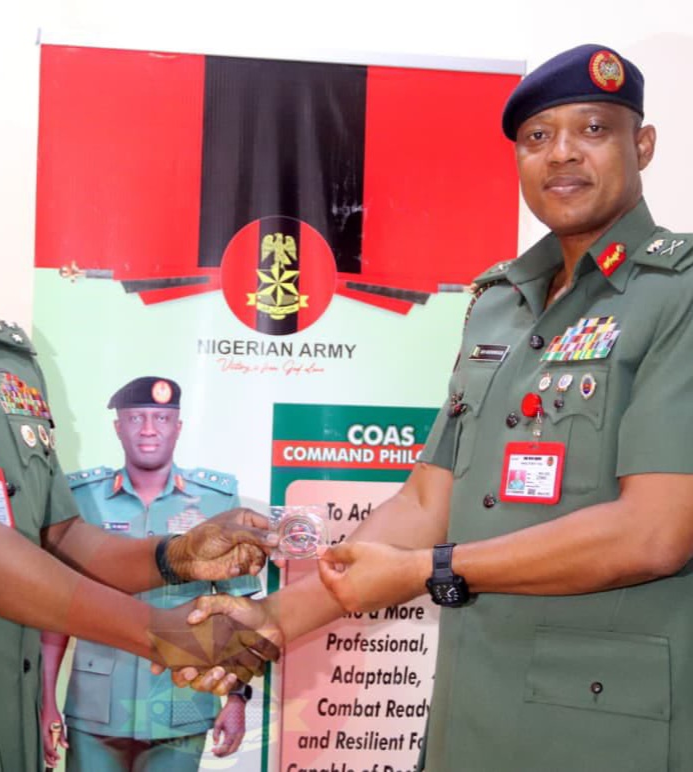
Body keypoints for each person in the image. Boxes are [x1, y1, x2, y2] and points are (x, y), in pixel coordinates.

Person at [183, 44, 693, 771]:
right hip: (474, 708)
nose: (562, 153)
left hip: (606, 725)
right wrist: (268, 623)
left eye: (593, 129)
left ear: (641, 146)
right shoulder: (499, 305)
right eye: (538, 136)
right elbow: (428, 500)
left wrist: (431, 568)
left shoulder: (680, 292)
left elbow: (655, 532)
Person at [0, 126, 280, 772]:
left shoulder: (6, 358)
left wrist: (177, 555)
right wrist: (161, 635)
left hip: (8, 729)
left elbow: (59, 539)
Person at [41, 376, 258, 770]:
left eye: (161, 418)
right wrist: (46, 702)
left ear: (178, 427)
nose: (148, 430)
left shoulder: (215, 500)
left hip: (182, 701)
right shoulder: (81, 498)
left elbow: (238, 610)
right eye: (136, 418)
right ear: (117, 427)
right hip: (96, 707)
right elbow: (54, 612)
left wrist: (236, 698)